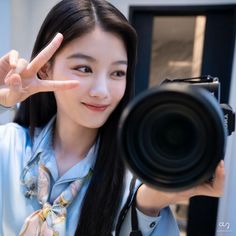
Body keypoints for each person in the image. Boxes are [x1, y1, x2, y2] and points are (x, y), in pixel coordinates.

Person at [0, 0, 225, 235]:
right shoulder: (8, 147)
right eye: (84, 68)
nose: (102, 91)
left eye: (117, 73)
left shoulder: (139, 180)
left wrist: (148, 206)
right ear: (46, 70)